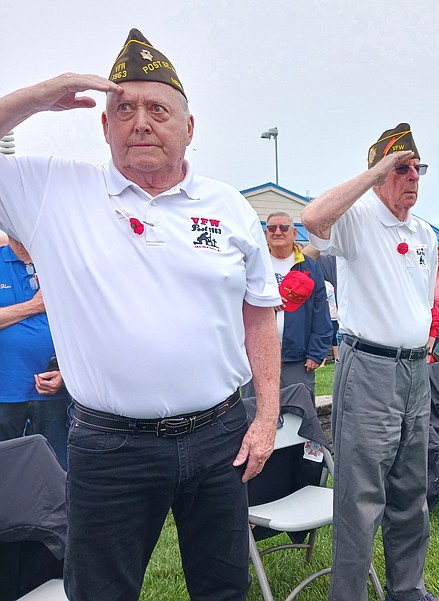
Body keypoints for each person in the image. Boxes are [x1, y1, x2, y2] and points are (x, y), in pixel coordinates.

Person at [0, 29, 282, 600]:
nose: (140, 121)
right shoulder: (54, 190)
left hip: (219, 434)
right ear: (103, 126)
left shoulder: (227, 206)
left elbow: (259, 310)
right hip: (111, 447)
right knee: (101, 590)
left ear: (189, 127)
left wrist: (268, 414)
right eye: (123, 109)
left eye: (158, 108)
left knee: (224, 586)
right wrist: (38, 96)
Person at [301, 123, 439, 601]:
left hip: (415, 371)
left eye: (417, 167)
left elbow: (421, 303)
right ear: (379, 173)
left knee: (410, 489)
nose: (413, 176)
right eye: (401, 168)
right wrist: (374, 171)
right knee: (360, 498)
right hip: (370, 369)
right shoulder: (358, 219)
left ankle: (407, 589)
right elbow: (312, 218)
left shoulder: (422, 231)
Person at [0, 236, 70, 469]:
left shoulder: (60, 263)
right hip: (5, 393)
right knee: (8, 472)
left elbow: (86, 324)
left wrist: (66, 374)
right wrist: (34, 306)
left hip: (57, 392)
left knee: (58, 471)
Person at [264, 211, 332, 397]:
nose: (278, 232)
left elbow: (321, 312)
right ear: (265, 234)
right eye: (272, 228)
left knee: (299, 414)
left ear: (294, 233)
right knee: (255, 412)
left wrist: (316, 353)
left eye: (284, 227)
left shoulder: (310, 266)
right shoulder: (255, 264)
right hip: (258, 355)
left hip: (298, 357)